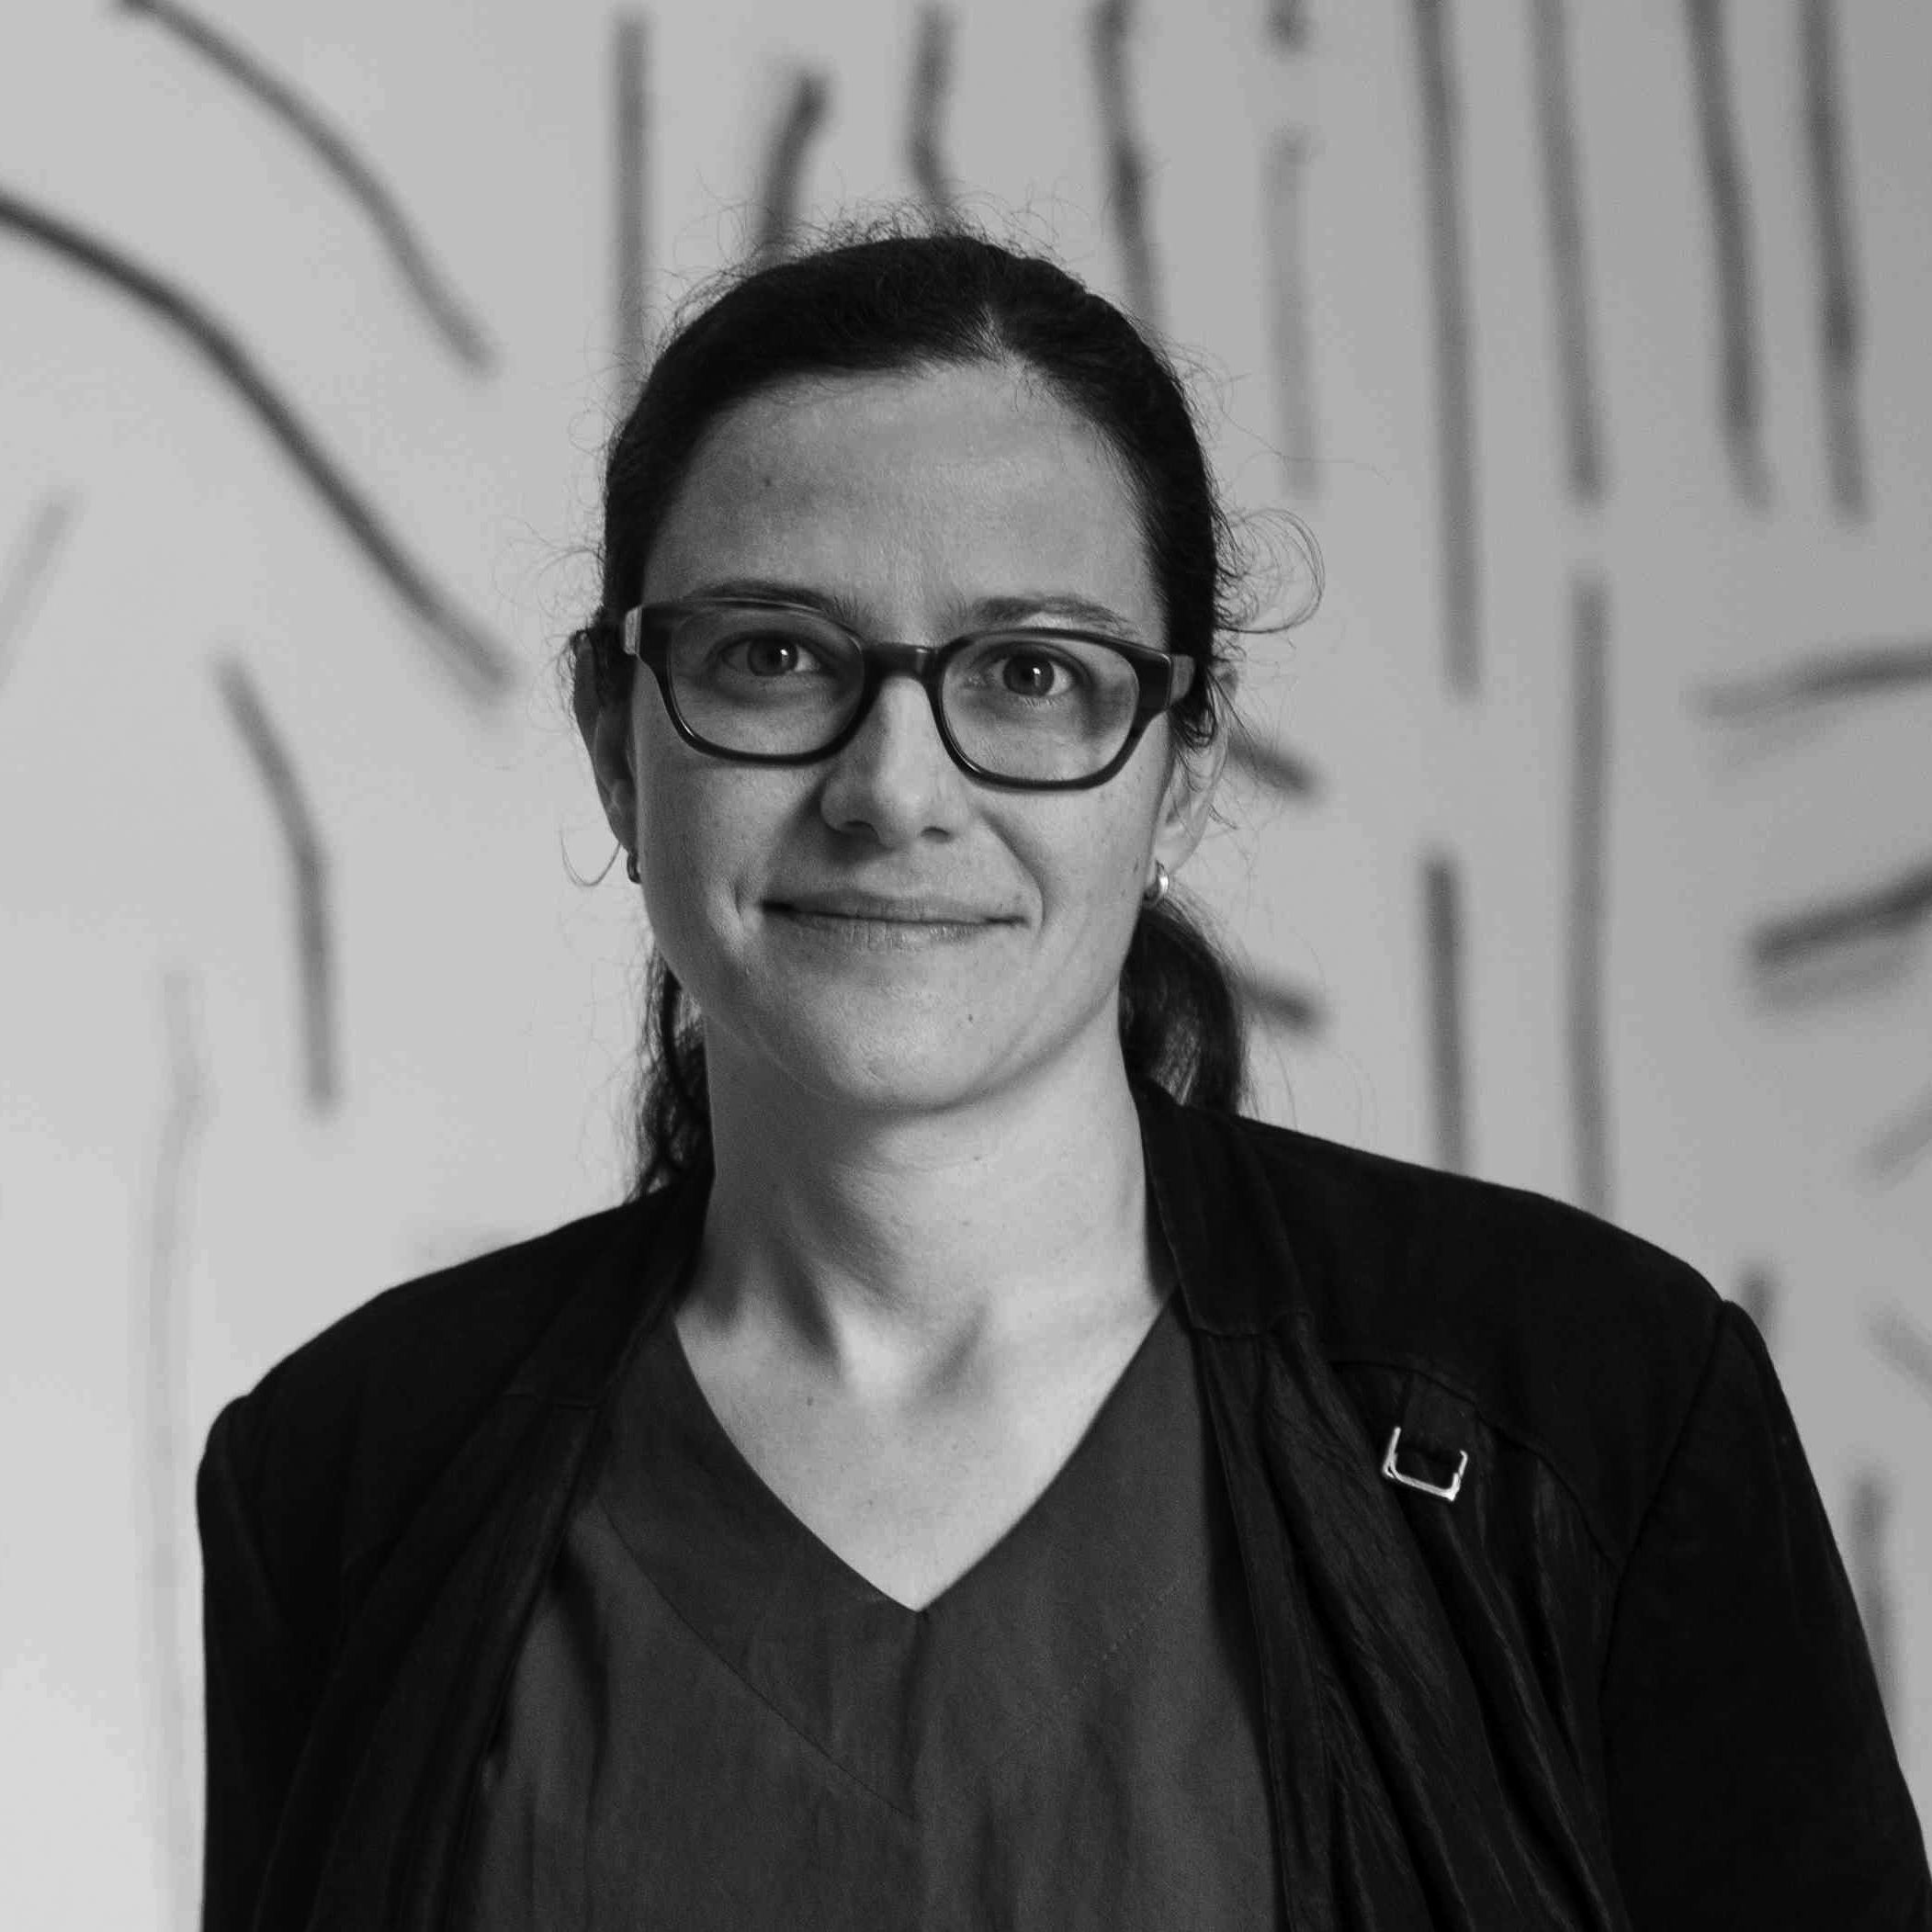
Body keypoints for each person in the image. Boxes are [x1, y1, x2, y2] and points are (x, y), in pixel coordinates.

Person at [197, 220, 1930, 1932]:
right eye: (774, 655)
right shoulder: (348, 1476)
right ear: (611, 740)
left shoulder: (1592, 1407)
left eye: (1029, 675)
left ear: (1180, 773)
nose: (893, 789)